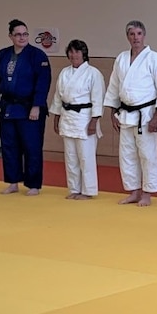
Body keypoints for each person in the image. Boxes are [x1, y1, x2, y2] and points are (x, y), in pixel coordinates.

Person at [0, 18, 52, 196]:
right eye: (18, 34)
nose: (22, 37)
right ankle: (13, 182)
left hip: (29, 108)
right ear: (10, 36)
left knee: (32, 146)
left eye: (25, 34)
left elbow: (43, 83)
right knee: (9, 146)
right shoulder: (3, 55)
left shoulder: (38, 55)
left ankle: (33, 184)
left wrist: (37, 106)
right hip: (8, 107)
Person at [103, 20, 157, 207]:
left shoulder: (155, 58)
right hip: (125, 114)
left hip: (146, 114)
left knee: (147, 154)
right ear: (127, 37)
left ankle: (147, 193)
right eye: (132, 34)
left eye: (139, 34)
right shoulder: (121, 58)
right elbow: (114, 86)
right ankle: (134, 191)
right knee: (127, 154)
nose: (135, 38)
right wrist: (112, 112)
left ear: (144, 35)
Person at [49, 40, 105, 200]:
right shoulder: (64, 73)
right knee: (71, 156)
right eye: (71, 52)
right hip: (67, 117)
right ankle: (74, 189)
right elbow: (58, 98)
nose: (74, 55)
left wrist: (94, 121)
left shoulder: (93, 73)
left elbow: (98, 99)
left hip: (85, 118)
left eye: (77, 52)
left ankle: (88, 191)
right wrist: (56, 117)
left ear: (84, 54)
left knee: (86, 157)